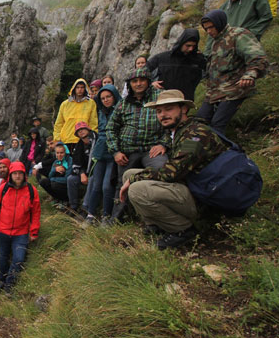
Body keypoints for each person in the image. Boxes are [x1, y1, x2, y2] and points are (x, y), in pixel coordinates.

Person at [120, 90, 228, 249]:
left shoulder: (195, 135)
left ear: (183, 109)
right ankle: (157, 224)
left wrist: (135, 179)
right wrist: (133, 177)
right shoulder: (180, 131)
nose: (163, 115)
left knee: (137, 189)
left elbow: (172, 173)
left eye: (168, 109)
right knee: (129, 174)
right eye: (159, 111)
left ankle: (183, 230)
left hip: (204, 196)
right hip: (191, 187)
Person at [105, 66, 168, 222]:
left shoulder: (160, 97)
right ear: (130, 84)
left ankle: (156, 219)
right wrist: (115, 152)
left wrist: (163, 144)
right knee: (122, 183)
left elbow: (171, 123)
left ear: (148, 81)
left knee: (162, 172)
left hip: (152, 150)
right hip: (128, 152)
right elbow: (111, 128)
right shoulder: (123, 103)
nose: (138, 84)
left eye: (142, 80)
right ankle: (116, 219)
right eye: (134, 81)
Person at [198, 10, 268, 133]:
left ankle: (221, 145)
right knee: (199, 123)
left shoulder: (238, 35)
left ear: (219, 23)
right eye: (206, 28)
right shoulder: (215, 42)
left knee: (217, 125)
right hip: (214, 93)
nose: (209, 31)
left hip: (233, 90)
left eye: (211, 27)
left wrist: (250, 75)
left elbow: (257, 57)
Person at [0, 162, 40, 293]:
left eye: (20, 173)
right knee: (3, 257)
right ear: (11, 175)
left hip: (21, 232)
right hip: (3, 230)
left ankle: (9, 284)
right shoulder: (3, 189)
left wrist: (34, 231)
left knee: (19, 259)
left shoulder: (31, 190)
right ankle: (2, 279)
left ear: (24, 175)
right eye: (15, 174)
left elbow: (36, 212)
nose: (17, 176)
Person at [85, 85, 121, 224]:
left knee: (107, 186)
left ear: (114, 96)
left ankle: (106, 215)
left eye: (108, 97)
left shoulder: (120, 110)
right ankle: (90, 215)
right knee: (96, 185)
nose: (106, 100)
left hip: (113, 153)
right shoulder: (100, 112)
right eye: (103, 98)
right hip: (100, 153)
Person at [146, 29, 206, 101]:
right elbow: (141, 73)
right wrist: (151, 84)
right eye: (188, 45)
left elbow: (208, 77)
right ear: (181, 43)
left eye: (193, 46)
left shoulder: (199, 61)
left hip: (185, 102)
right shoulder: (161, 58)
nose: (191, 49)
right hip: (163, 101)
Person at [53, 78, 98, 153]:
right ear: (74, 88)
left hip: (83, 139)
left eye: (82, 87)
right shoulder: (65, 104)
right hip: (67, 139)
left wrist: (92, 137)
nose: (80, 89)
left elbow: (93, 122)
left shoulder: (91, 103)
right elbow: (59, 123)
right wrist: (57, 139)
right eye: (78, 87)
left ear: (85, 89)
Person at [66, 122, 97, 215]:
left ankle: (85, 208)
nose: (81, 131)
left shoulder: (97, 140)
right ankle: (73, 206)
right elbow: (76, 163)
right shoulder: (79, 145)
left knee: (92, 179)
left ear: (88, 129)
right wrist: (82, 173)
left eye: (82, 129)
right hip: (84, 172)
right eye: (78, 131)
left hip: (96, 171)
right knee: (71, 179)